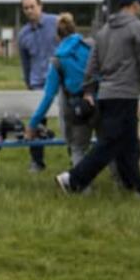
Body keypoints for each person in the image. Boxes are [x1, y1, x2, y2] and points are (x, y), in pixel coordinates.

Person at [57, 0, 140, 195]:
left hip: (106, 94)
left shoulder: (103, 31)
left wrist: (88, 90)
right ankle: (73, 180)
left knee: (130, 145)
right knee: (109, 143)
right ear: (135, 4)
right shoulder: (139, 28)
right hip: (126, 94)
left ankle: (137, 186)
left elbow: (92, 65)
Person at [27, 13, 94, 166]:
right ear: (75, 29)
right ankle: (120, 183)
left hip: (80, 109)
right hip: (100, 102)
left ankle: (82, 186)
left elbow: (49, 97)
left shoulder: (58, 60)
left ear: (57, 35)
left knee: (78, 149)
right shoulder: (90, 47)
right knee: (108, 144)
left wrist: (32, 124)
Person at [19, 0, 59, 171]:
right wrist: (28, 82)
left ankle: (75, 158)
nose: (29, 10)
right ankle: (37, 161)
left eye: (32, 6)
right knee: (36, 123)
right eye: (25, 8)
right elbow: (25, 62)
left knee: (71, 121)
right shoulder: (23, 34)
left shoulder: (56, 23)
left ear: (40, 6)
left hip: (60, 80)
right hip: (37, 83)